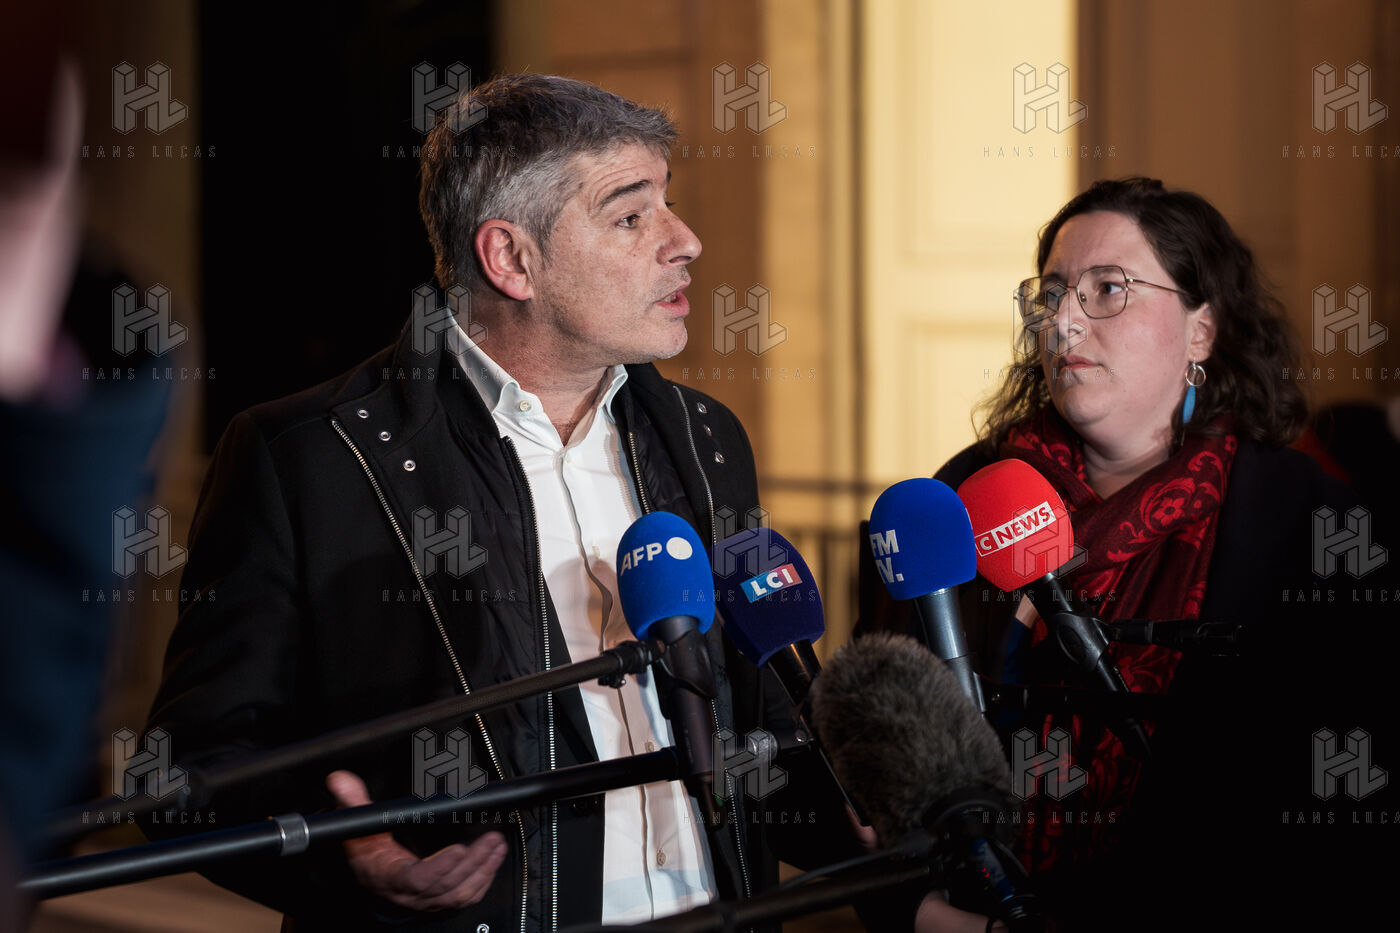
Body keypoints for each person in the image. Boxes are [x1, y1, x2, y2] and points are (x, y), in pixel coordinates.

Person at [146, 74, 860, 931]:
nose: (685, 241)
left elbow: (760, 714)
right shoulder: (309, 458)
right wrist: (348, 857)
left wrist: (886, 846)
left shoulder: (706, 436)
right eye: (631, 217)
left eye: (667, 204)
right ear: (511, 259)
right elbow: (190, 771)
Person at [863, 177, 1396, 929]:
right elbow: (880, 762)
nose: (1064, 322)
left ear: (1201, 330)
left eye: (1108, 289)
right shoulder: (960, 497)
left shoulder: (1311, 523)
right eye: (1052, 294)